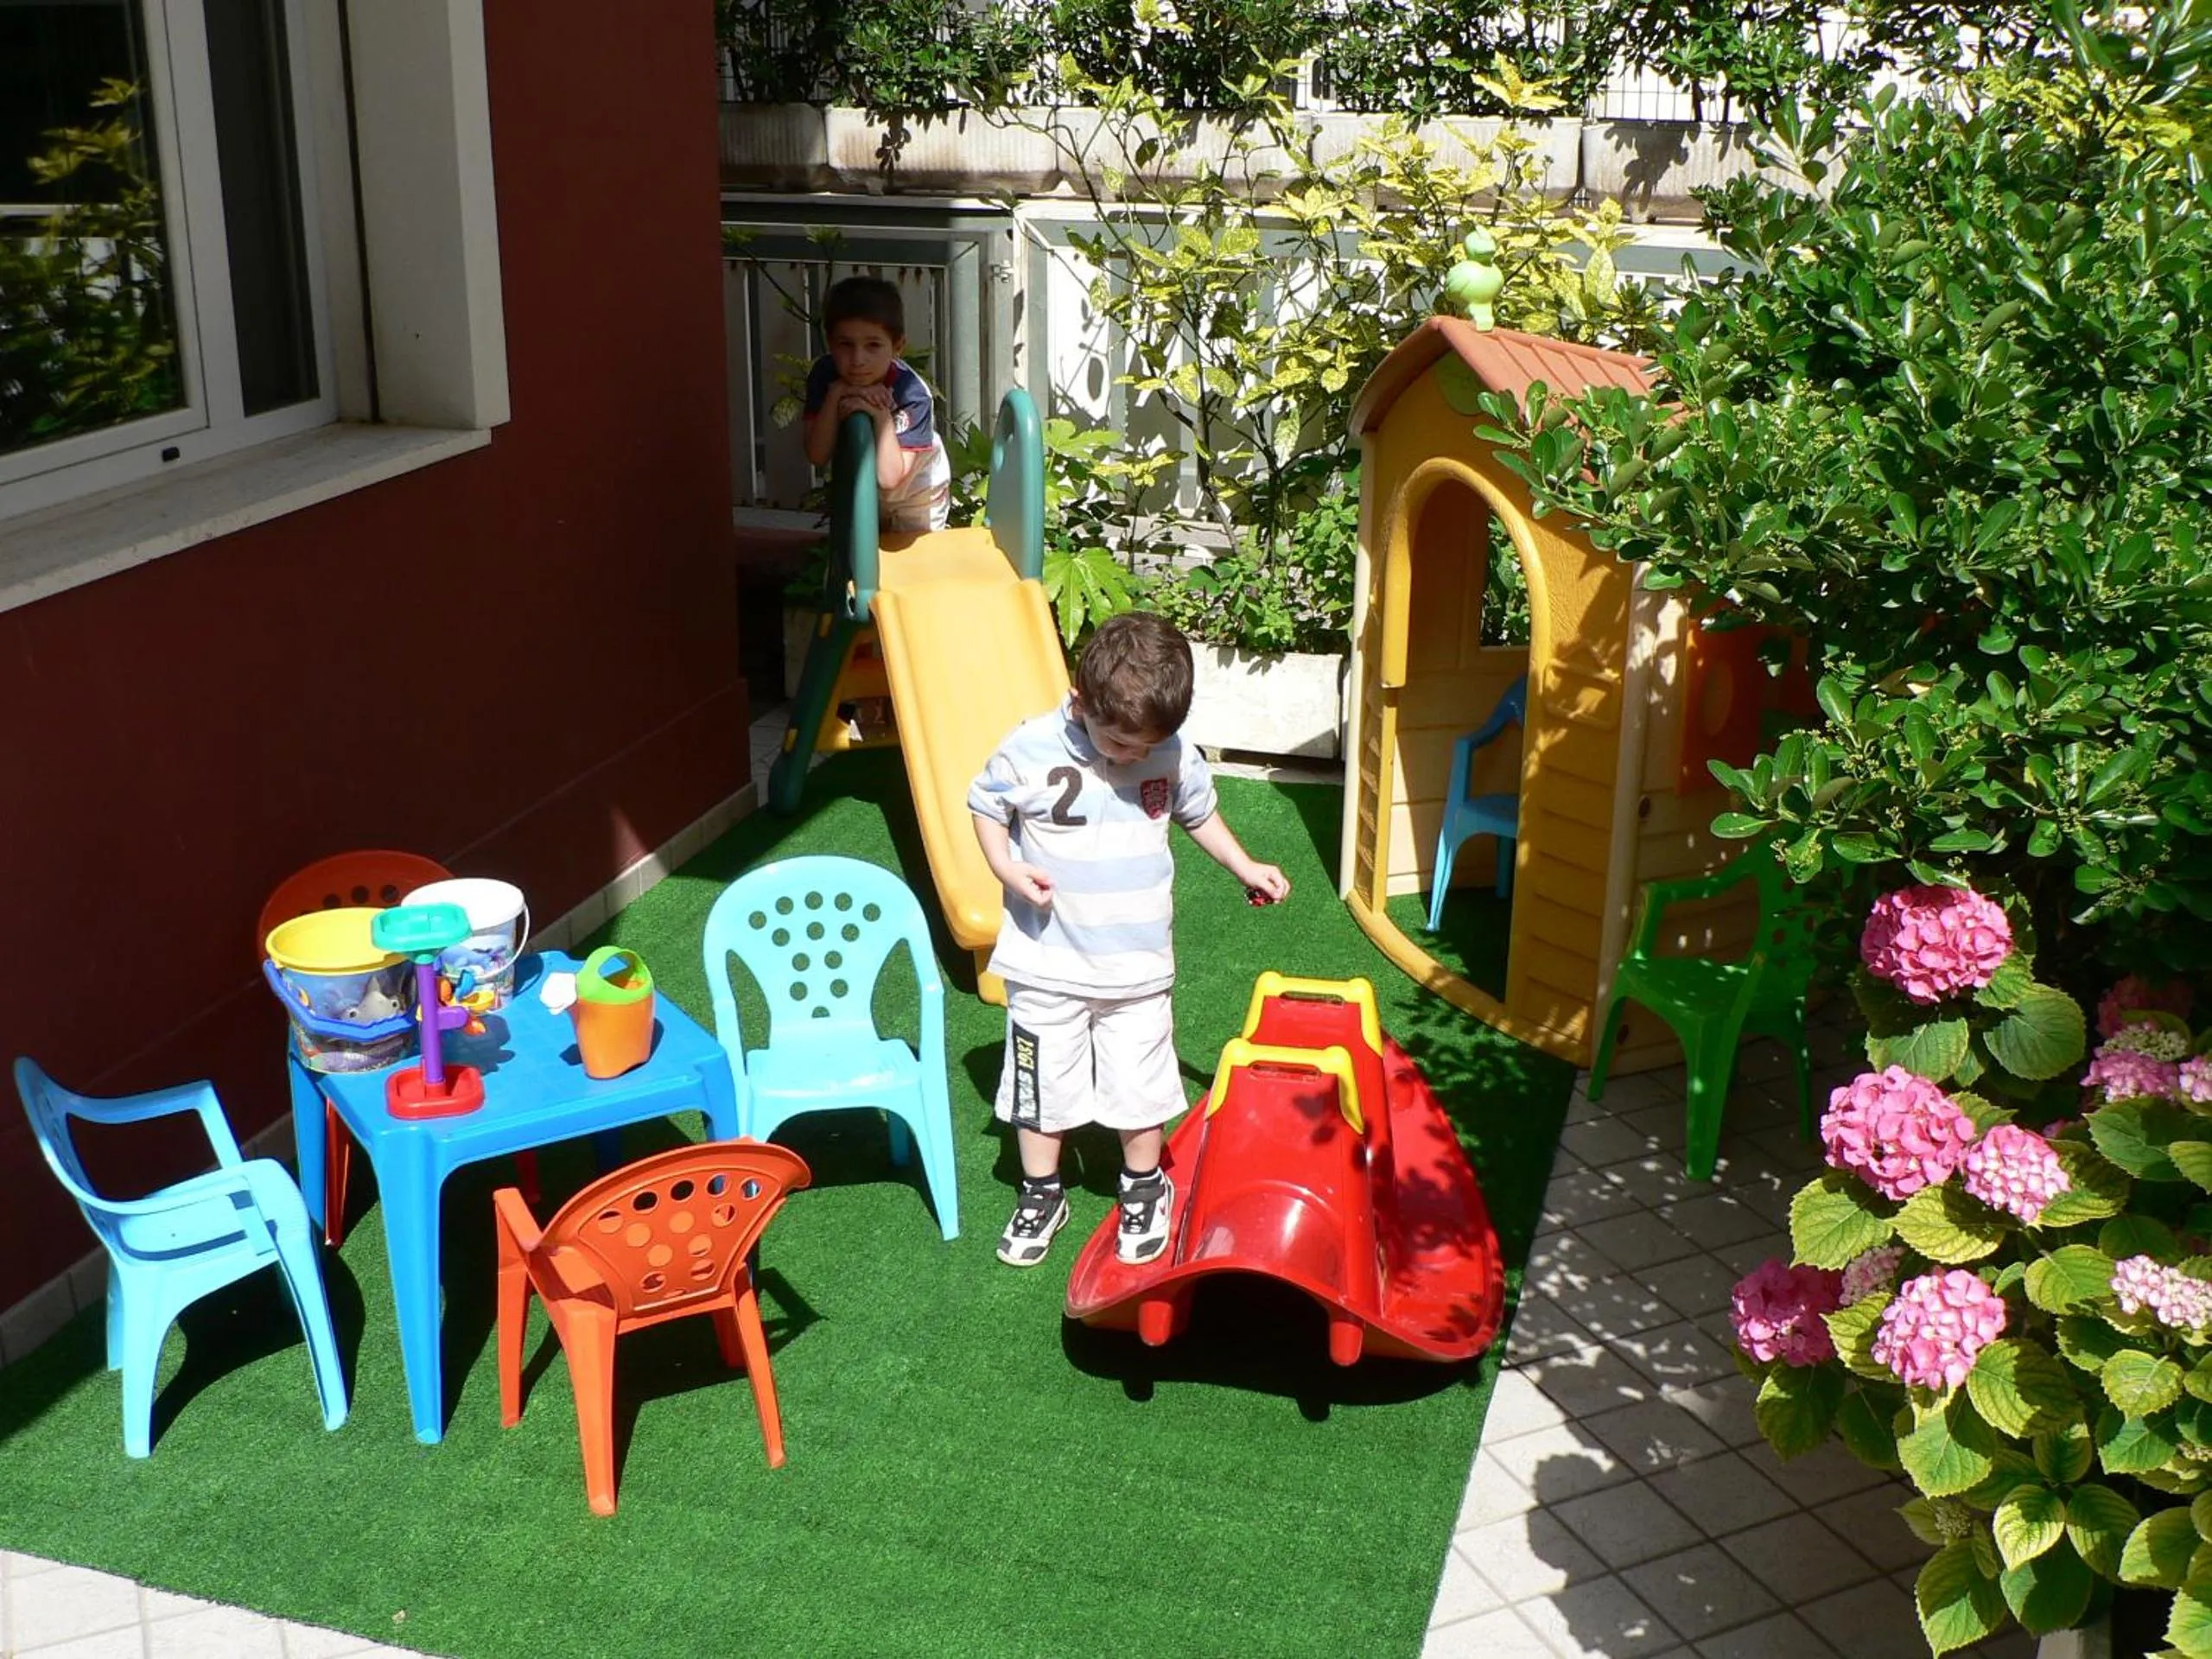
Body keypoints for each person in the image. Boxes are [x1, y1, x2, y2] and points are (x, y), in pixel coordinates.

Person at [968, 612, 1292, 1268]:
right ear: (1081, 701)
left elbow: (1198, 812)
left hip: (1136, 964)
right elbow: (986, 803)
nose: (1130, 755)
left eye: (1145, 747)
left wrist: (1245, 864)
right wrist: (1004, 867)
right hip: (1045, 962)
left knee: (1139, 1081)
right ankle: (1041, 1190)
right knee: (1041, 1086)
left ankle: (1144, 1184)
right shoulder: (1029, 746)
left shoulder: (1169, 751)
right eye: (1118, 741)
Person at [802, 275, 951, 533]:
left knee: (912, 565)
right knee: (860, 561)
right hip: (866, 491)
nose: (858, 359)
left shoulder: (912, 393)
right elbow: (816, 454)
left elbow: (891, 478)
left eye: (873, 345)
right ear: (830, 343)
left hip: (917, 497)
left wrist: (882, 416)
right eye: (845, 344)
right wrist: (836, 394)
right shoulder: (826, 375)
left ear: (897, 346)